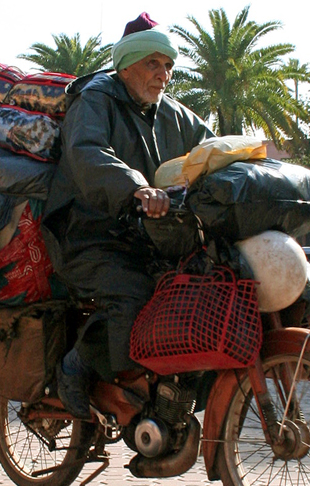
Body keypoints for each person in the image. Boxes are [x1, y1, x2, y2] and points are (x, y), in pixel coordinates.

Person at [42, 12, 215, 419]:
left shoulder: (172, 113)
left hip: (142, 233)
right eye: (153, 63)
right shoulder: (96, 97)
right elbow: (87, 151)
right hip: (85, 233)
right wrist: (135, 188)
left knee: (198, 282)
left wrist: (247, 168)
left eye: (169, 65)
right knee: (134, 290)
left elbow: (212, 149)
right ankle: (77, 364)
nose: (163, 75)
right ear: (125, 65)